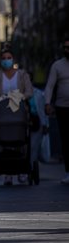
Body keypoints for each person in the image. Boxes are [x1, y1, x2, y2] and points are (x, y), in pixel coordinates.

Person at [0, 46, 33, 186]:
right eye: (4, 58)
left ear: (13, 59)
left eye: (9, 58)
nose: (6, 61)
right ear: (0, 61)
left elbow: (29, 91)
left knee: (22, 140)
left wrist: (19, 97)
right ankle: (7, 173)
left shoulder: (22, 74)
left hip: (19, 111)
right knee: (1, 140)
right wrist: (0, 98)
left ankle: (22, 171)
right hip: (2, 112)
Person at [44, 37, 69, 184]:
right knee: (66, 140)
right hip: (62, 108)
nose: (67, 50)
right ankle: (68, 171)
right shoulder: (57, 66)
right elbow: (49, 86)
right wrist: (47, 103)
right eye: (65, 47)